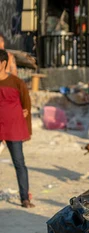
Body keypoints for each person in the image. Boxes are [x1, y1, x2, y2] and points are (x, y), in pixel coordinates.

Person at [0, 50, 34, 208]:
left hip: (13, 128)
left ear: (4, 63)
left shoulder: (16, 82)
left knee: (19, 163)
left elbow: (26, 106)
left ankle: (24, 198)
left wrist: (26, 128)